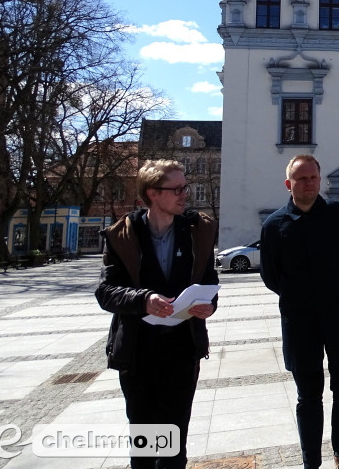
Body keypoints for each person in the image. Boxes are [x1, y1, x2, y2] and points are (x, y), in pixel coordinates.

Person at [95, 159, 218, 469]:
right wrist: (144, 299)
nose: (184, 194)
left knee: (175, 439)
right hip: (139, 352)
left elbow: (209, 281)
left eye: (184, 187)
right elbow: (106, 292)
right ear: (152, 193)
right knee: (146, 439)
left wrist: (208, 305)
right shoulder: (122, 236)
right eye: (176, 189)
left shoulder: (197, 231)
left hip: (181, 349)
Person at [260, 155, 339, 469]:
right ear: (288, 184)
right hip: (300, 322)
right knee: (308, 395)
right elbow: (271, 276)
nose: (309, 184)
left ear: (320, 180)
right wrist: (301, 298)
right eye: (301, 179)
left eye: (313, 178)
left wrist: (336, 290)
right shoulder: (274, 225)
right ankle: (311, 461)